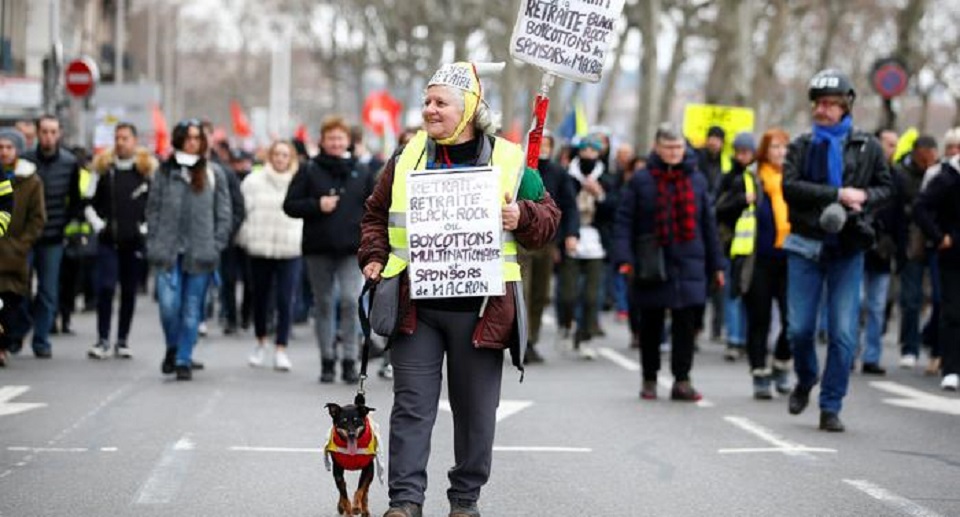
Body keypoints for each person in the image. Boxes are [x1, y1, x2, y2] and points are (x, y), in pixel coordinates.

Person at [358, 61, 559, 517]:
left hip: (482, 309)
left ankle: (464, 501)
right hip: (416, 305)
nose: (429, 109)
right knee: (411, 407)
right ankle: (404, 502)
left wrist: (521, 217)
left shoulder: (512, 161)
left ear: (468, 109)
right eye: (426, 101)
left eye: (439, 102)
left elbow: (548, 222)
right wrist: (372, 258)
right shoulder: (405, 157)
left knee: (474, 415)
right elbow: (374, 216)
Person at [781, 69, 892, 432]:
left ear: (845, 107)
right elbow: (790, 188)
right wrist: (835, 194)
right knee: (799, 330)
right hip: (803, 246)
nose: (823, 110)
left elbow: (886, 189)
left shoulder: (868, 146)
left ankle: (831, 405)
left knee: (843, 334)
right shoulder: (800, 144)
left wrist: (863, 197)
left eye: (830, 104)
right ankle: (806, 377)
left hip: (847, 248)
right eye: (819, 103)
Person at [613, 124, 725, 402]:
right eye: (669, 147)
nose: (675, 153)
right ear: (657, 148)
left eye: (679, 147)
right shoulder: (641, 180)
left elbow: (708, 226)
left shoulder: (696, 180)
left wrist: (717, 265)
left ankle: (682, 380)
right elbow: (625, 221)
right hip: (653, 260)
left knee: (685, 324)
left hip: (690, 261)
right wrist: (625, 258)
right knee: (651, 323)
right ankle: (649, 378)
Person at [284, 115, 374, 384]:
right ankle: (326, 360)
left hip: (350, 249)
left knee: (349, 300)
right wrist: (316, 204)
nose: (336, 143)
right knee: (323, 303)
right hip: (318, 248)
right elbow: (290, 205)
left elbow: (374, 208)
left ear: (348, 141)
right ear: (322, 141)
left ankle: (349, 359)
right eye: (331, 138)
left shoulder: (361, 171)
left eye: (340, 138)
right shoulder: (309, 170)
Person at [145, 119, 232, 381]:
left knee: (192, 308)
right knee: (169, 307)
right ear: (180, 139)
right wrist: (153, 242)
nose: (193, 141)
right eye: (188, 137)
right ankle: (172, 346)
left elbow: (224, 214)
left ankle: (183, 357)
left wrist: (215, 245)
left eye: (197, 137)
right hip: (168, 251)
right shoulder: (164, 172)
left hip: (201, 253)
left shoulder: (213, 173)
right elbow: (153, 209)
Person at [721, 129, 793, 398]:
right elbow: (720, 207)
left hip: (790, 258)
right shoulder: (750, 178)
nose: (781, 153)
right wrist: (741, 200)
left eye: (784, 148)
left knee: (794, 321)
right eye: (775, 147)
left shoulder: (794, 178)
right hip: (757, 259)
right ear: (765, 150)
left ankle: (782, 363)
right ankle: (760, 372)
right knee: (759, 319)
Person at [85, 122, 157, 359]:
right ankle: (103, 339)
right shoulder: (103, 169)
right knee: (106, 288)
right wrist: (99, 226)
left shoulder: (145, 171)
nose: (120, 142)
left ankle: (122, 340)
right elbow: (87, 202)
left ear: (134, 141)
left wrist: (144, 228)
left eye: (125, 138)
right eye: (117, 137)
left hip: (134, 242)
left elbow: (155, 205)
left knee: (129, 291)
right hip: (108, 241)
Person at [19, 115, 81, 358]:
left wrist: (65, 225)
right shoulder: (24, 162)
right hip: (24, 238)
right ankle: (17, 332)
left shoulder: (69, 162)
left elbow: (75, 200)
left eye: (53, 132)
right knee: (19, 289)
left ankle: (41, 340)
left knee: (48, 291)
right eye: (44, 131)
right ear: (37, 133)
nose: (48, 136)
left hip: (53, 236)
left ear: (60, 134)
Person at [238, 140, 302, 371]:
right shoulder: (253, 181)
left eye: (285, 155)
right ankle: (260, 341)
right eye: (276, 154)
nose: (280, 159)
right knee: (261, 299)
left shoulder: (299, 181)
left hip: (290, 247)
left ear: (291, 158)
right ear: (270, 156)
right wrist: (245, 235)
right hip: (260, 246)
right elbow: (241, 211)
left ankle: (281, 348)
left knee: (286, 299)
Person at [518, 130, 578, 364]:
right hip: (520, 242)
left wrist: (571, 234)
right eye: (538, 143)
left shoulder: (559, 173)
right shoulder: (517, 170)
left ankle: (532, 339)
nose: (542, 147)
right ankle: (521, 340)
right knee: (523, 291)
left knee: (541, 294)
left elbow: (569, 206)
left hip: (547, 242)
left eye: (547, 144)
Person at [557, 135, 617, 358]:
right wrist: (562, 237)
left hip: (597, 242)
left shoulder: (608, 177)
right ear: (579, 152)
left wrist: (599, 194)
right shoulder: (567, 176)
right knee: (568, 294)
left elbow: (615, 208)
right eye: (585, 150)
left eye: (594, 151)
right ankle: (566, 324)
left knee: (592, 296)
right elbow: (559, 207)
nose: (589, 155)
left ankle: (585, 336)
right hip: (571, 238)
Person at [913, 149, 960, 390]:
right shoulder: (947, 178)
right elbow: (920, 207)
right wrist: (940, 236)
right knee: (952, 311)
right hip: (953, 257)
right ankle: (951, 368)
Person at [0, 128, 45, 367]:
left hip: (16, 252)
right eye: (1, 147)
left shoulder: (30, 179)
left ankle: (10, 340)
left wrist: (23, 243)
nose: (4, 152)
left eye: (9, 147)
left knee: (13, 301)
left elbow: (38, 218)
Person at [896, 136, 941, 369]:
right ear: (918, 153)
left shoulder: (941, 175)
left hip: (935, 243)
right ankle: (909, 346)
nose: (930, 159)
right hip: (912, 244)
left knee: (939, 298)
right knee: (911, 299)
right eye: (927, 155)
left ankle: (930, 340)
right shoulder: (901, 174)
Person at [715, 132, 756, 361]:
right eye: (739, 152)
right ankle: (734, 338)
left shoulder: (756, 177)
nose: (743, 156)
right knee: (732, 292)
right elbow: (718, 207)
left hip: (751, 245)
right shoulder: (729, 177)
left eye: (747, 152)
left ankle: (745, 338)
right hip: (731, 243)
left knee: (747, 293)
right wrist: (741, 199)